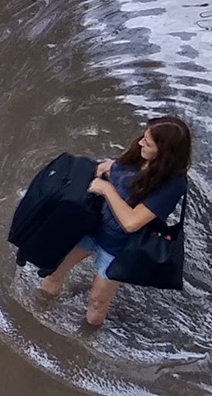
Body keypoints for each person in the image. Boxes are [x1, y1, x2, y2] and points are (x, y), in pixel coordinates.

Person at [38, 115, 192, 326]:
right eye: (143, 137)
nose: (140, 143)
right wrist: (111, 168)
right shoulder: (139, 154)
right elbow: (122, 170)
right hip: (92, 226)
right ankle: (40, 314)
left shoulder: (172, 185)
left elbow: (131, 223)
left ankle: (86, 336)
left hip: (120, 247)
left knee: (97, 301)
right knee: (53, 272)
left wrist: (106, 189)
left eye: (148, 143)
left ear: (164, 152)